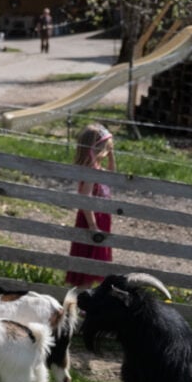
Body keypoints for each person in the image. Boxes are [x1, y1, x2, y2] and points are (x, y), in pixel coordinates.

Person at [66, 123, 116, 287]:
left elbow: (112, 175)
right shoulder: (90, 171)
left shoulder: (98, 168)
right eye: (107, 148)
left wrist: (111, 155)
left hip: (101, 218)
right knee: (87, 265)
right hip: (91, 220)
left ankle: (86, 300)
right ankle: (81, 299)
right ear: (97, 149)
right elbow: (85, 198)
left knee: (96, 265)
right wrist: (93, 226)